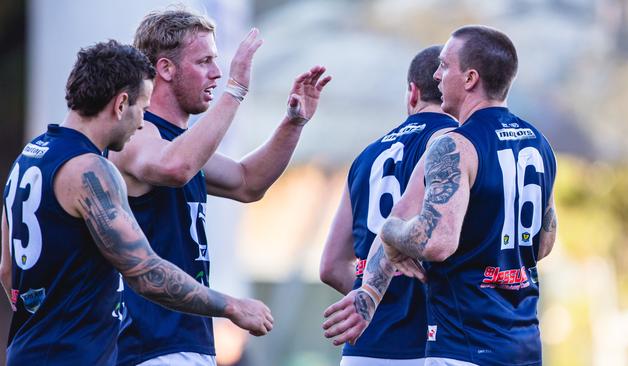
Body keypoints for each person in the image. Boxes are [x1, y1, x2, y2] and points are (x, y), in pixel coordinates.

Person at [0, 40, 273, 366]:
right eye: (142, 108)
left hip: (26, 351)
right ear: (120, 104)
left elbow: (7, 270)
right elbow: (145, 272)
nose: (142, 122)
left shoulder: (30, 156)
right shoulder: (92, 170)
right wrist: (232, 306)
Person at [108, 9, 331, 366]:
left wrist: (293, 121)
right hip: (148, 344)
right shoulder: (136, 132)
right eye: (205, 61)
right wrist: (236, 90)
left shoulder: (179, 141)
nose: (216, 72)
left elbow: (247, 182)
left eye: (218, 61)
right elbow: (175, 167)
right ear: (165, 69)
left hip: (186, 339)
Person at [324, 25, 558, 366]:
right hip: (523, 345)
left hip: (462, 346)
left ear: (470, 78)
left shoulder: (455, 145)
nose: (437, 74)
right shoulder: (540, 143)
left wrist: (391, 236)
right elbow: (543, 243)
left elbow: (437, 242)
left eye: (445, 66)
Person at [320, 45, 456, 366]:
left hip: (365, 347)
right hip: (432, 347)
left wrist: (376, 298)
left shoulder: (366, 157)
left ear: (412, 93)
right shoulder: (458, 147)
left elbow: (330, 266)